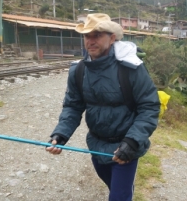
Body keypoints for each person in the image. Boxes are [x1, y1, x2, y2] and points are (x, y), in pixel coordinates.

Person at [46, 13, 160, 201]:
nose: (91, 41)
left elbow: (149, 107)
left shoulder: (131, 68)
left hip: (125, 149)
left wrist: (131, 143)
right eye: (87, 36)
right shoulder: (78, 71)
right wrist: (60, 135)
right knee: (113, 188)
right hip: (96, 146)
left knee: (119, 197)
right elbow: (73, 107)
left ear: (112, 38)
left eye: (97, 35)